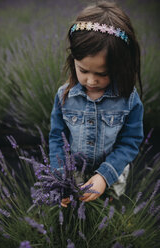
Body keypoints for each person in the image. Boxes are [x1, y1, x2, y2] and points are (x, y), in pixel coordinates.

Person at [49, 1, 144, 207]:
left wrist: (104, 176)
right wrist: (60, 177)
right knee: (73, 213)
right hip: (74, 172)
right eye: (83, 70)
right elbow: (57, 138)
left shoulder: (129, 99)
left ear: (121, 66)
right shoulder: (64, 96)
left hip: (113, 171)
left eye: (102, 74)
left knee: (109, 211)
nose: (91, 81)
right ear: (72, 58)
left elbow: (130, 142)